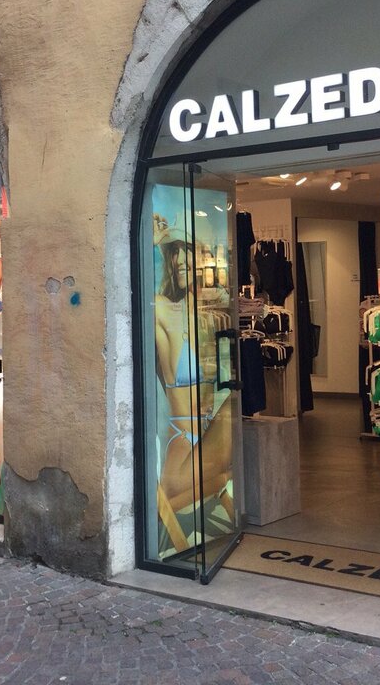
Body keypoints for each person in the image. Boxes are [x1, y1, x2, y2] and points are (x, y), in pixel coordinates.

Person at [152, 213, 234, 553]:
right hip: (183, 446)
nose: (183, 259)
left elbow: (226, 300)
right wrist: (154, 239)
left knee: (234, 410)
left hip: (205, 435)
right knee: (235, 409)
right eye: (175, 252)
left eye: (188, 251)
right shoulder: (161, 309)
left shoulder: (200, 313)